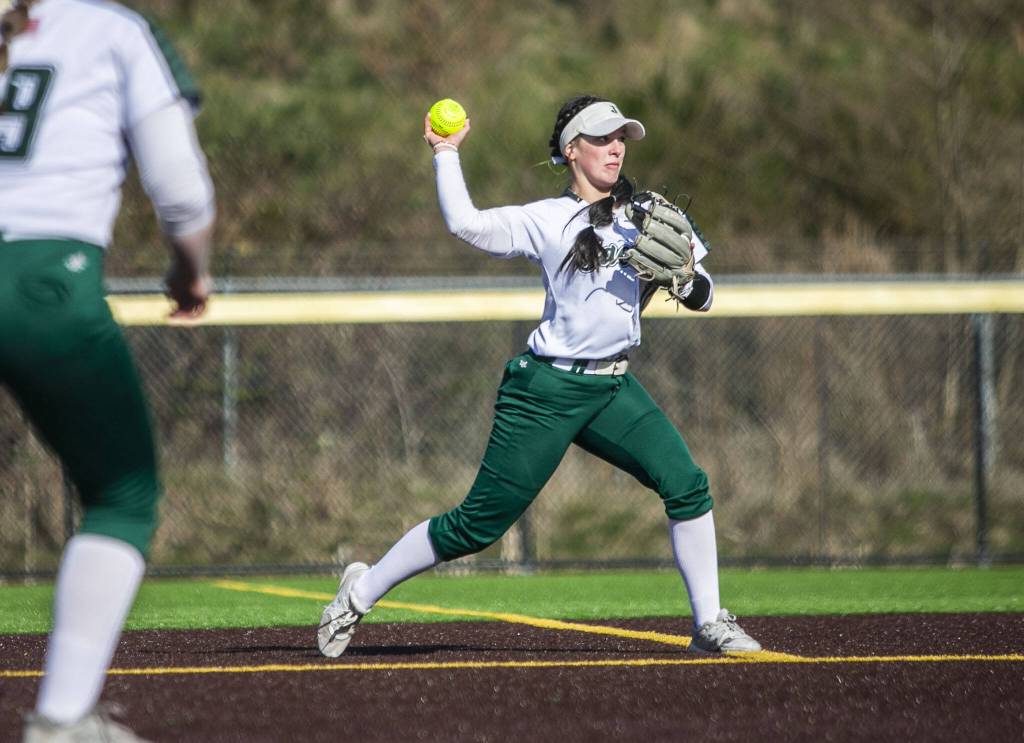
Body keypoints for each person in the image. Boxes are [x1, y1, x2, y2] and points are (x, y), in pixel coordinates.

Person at [317, 94, 760, 658]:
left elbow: (706, 294)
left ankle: (710, 623)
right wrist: (446, 153)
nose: (616, 147)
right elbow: (466, 225)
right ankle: (358, 593)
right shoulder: (549, 220)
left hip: (612, 387)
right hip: (545, 391)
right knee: (476, 527)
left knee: (687, 484)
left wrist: (685, 280)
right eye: (601, 138)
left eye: (622, 137)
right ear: (572, 149)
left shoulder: (650, 211)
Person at [0, 1, 215, 740]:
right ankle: (61, 720)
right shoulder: (110, 29)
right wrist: (192, 274)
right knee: (123, 495)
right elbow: (181, 190)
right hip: (40, 286)